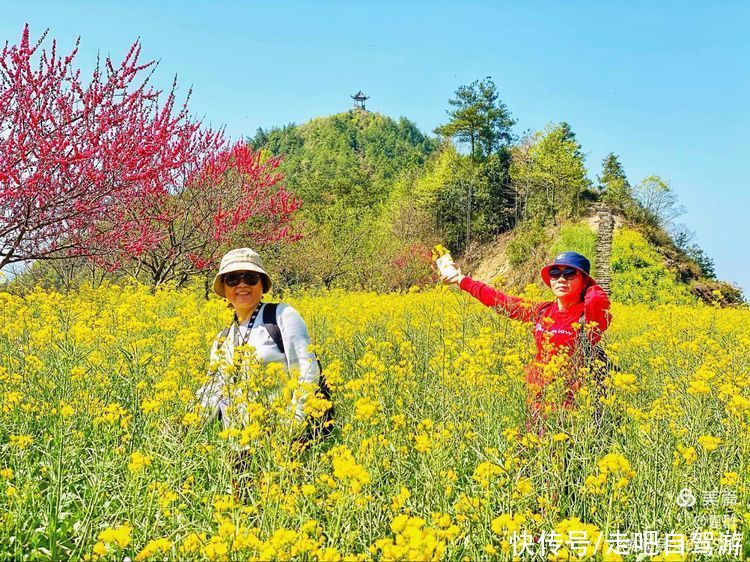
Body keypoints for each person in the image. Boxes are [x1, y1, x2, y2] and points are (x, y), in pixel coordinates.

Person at [436, 249, 612, 433]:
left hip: (572, 411)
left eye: (569, 273)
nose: (561, 279)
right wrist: (461, 279)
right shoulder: (544, 311)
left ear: (584, 280)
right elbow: (503, 302)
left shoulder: (589, 316)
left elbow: (598, 299)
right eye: (555, 273)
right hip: (538, 403)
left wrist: (590, 285)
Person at [196, 248, 322, 495]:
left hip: (282, 440)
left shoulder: (282, 315)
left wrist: (290, 428)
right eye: (232, 279)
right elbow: (214, 389)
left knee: (282, 513)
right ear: (224, 289)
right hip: (239, 446)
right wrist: (188, 422)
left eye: (250, 278)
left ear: (262, 284)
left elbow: (307, 371)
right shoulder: (222, 339)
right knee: (244, 515)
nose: (241, 285)